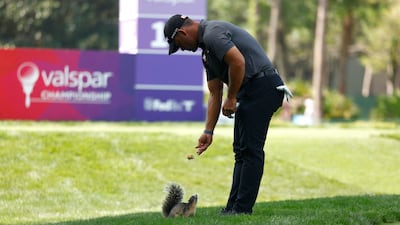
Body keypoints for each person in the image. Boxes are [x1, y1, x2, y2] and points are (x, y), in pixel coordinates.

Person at [163, 14, 292, 215]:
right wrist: (208, 131)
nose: (183, 49)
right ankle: (233, 208)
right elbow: (215, 93)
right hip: (250, 91)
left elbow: (238, 62)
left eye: (179, 44)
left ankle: (241, 209)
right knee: (240, 150)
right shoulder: (206, 52)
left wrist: (232, 98)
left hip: (263, 87)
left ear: (182, 32)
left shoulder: (213, 33)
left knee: (250, 150)